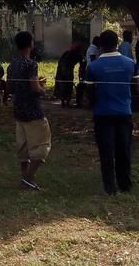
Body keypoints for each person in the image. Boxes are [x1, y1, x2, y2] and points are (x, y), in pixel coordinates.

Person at [87, 30, 137, 195]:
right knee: (124, 149)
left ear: (100, 45)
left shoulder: (93, 66)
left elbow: (90, 92)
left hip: (103, 112)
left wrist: (95, 104)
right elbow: (136, 87)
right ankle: (125, 184)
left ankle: (110, 187)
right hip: (124, 111)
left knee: (106, 151)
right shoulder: (130, 64)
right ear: (117, 43)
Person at [6, 31, 51, 190]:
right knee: (41, 146)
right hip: (33, 110)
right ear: (30, 44)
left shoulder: (12, 65)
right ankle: (27, 178)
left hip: (19, 110)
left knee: (23, 148)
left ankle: (27, 180)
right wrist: (43, 89)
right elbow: (34, 88)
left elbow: (9, 88)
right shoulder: (31, 64)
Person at [54, 43, 83, 108]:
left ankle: (66, 102)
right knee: (64, 86)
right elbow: (62, 64)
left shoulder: (78, 55)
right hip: (62, 71)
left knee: (68, 86)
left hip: (68, 71)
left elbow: (81, 66)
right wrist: (66, 74)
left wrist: (80, 76)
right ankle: (64, 102)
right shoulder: (68, 54)